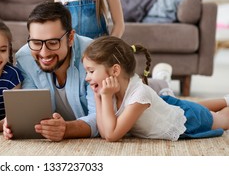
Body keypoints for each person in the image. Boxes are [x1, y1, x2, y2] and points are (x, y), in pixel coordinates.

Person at [82, 35, 229, 142]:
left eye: (91, 71)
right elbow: (103, 131)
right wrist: (98, 96)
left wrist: (105, 97)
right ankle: (225, 100)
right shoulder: (112, 91)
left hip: (187, 121)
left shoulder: (139, 95)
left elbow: (111, 135)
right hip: (167, 108)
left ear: (115, 71)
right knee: (189, 106)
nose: (86, 78)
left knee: (222, 119)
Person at [3, 1, 97, 141]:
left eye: (53, 43)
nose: (44, 53)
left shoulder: (93, 55)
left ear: (70, 38)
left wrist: (66, 129)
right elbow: (31, 109)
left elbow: (100, 117)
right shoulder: (25, 57)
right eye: (36, 42)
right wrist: (13, 123)